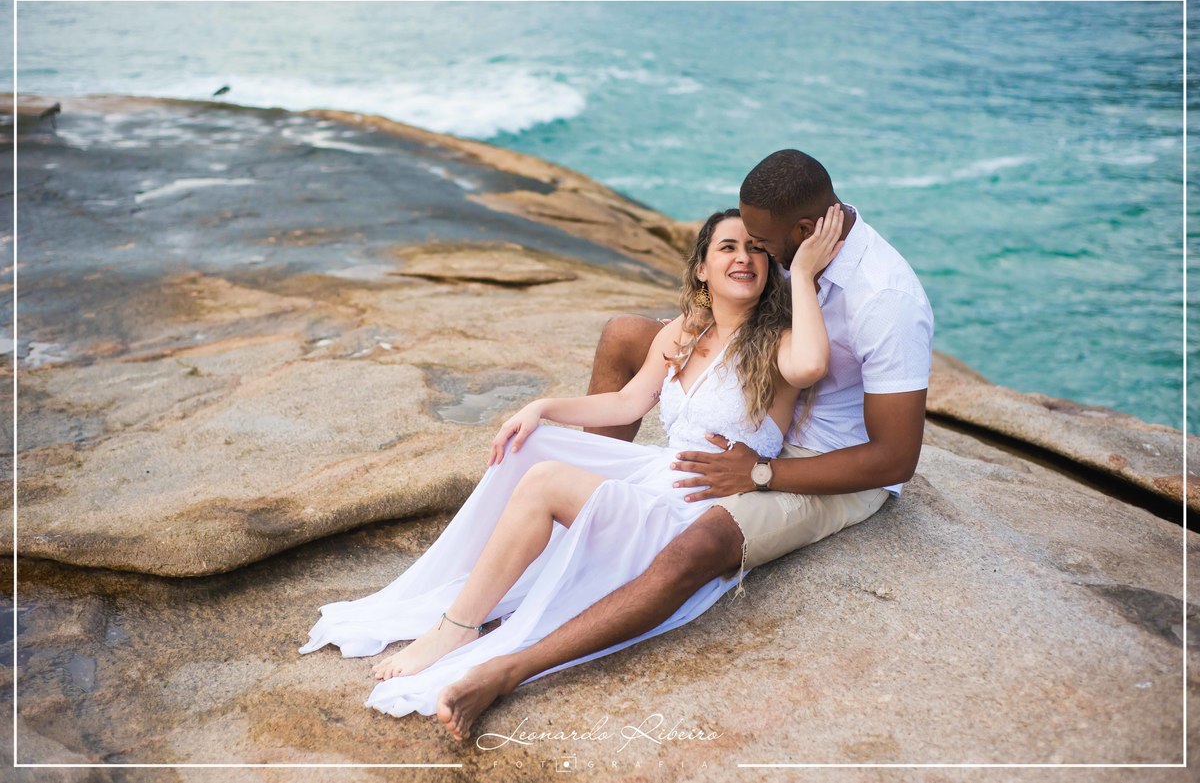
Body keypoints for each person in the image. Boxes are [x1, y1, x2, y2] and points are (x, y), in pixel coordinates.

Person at [430, 149, 934, 743]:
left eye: (762, 245)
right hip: (760, 399)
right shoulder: (785, 252)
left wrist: (762, 474)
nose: (754, 253)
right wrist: (546, 407)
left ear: (803, 234)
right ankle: (588, 527)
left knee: (699, 544)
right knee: (623, 335)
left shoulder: (885, 299)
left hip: (823, 460)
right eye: (740, 243)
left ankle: (510, 669)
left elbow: (895, 458)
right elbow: (664, 367)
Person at [299, 205, 843, 727]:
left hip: (693, 511)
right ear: (702, 268)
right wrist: (542, 408)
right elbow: (627, 403)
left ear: (769, 266)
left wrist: (801, 272)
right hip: (657, 477)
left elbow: (813, 363)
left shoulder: (777, 342)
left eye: (755, 249)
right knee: (532, 446)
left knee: (546, 481)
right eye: (727, 247)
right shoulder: (685, 332)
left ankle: (458, 626)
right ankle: (486, 581)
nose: (743, 257)